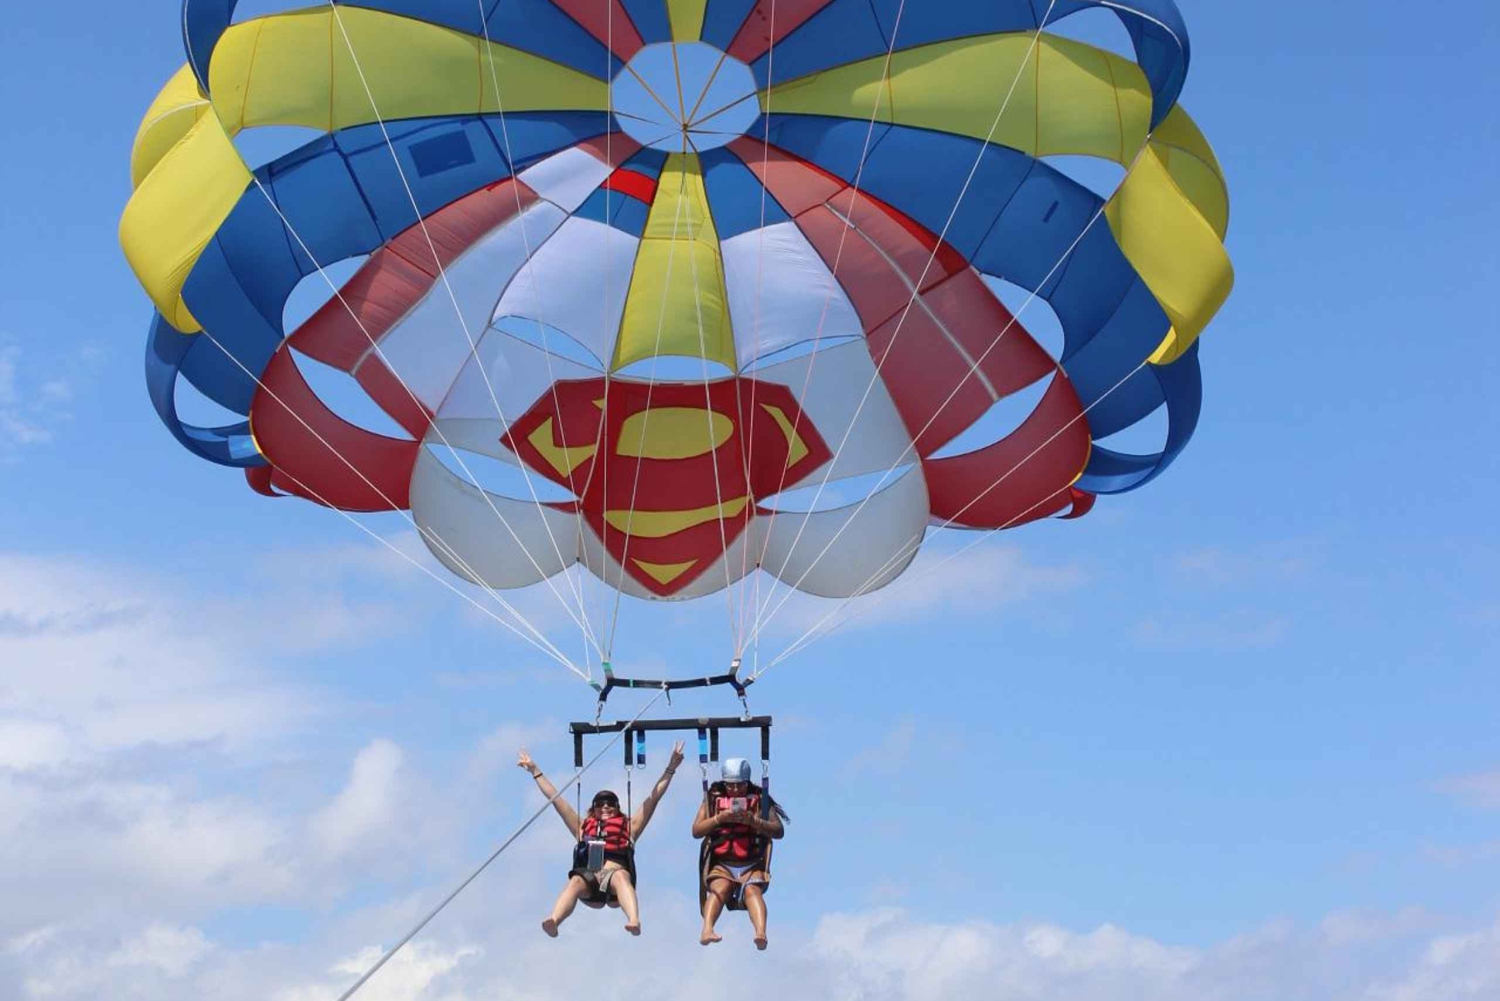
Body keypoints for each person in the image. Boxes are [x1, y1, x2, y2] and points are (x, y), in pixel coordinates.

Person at [518, 741, 685, 938]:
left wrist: (671, 768)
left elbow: (653, 798)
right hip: (590, 881)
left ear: (617, 807)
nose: (605, 807)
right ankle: (555, 920)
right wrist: (534, 770)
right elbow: (556, 799)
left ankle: (633, 920)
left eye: (610, 804)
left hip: (614, 879)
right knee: (575, 881)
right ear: (593, 808)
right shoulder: (582, 827)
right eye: (600, 804)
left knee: (621, 877)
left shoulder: (630, 826)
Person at [692, 757, 787, 949]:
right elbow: (696, 830)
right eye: (731, 786)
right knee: (720, 889)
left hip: (751, 864)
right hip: (723, 864)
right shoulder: (713, 799)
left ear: (747, 782)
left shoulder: (760, 800)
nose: (735, 790)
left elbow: (778, 831)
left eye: (740, 786)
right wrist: (719, 818)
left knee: (753, 892)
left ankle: (761, 932)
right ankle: (707, 929)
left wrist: (755, 822)